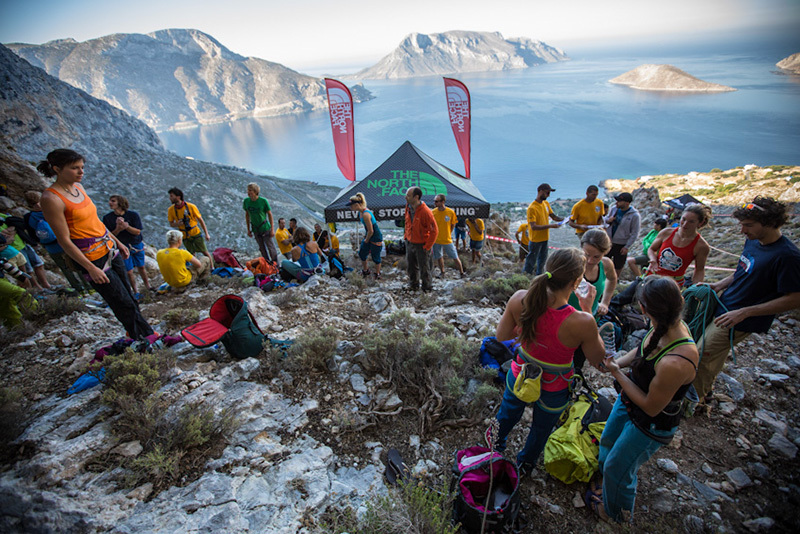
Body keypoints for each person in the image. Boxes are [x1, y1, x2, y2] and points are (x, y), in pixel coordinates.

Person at [590, 276, 699, 523]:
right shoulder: (662, 324)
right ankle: (607, 480)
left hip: (650, 423)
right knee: (608, 439)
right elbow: (640, 352)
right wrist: (617, 363)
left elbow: (651, 406)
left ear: (643, 308)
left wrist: (617, 373)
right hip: (629, 400)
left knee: (619, 466)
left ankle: (614, 511)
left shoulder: (677, 360)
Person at [493, 248, 606, 476]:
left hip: (522, 373)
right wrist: (589, 310)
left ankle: (494, 447)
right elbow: (598, 359)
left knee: (507, 413)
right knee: (541, 428)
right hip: (555, 385)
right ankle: (525, 464)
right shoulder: (582, 321)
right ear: (576, 283)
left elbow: (501, 337)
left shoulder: (520, 299)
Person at [692, 197, 800, 403]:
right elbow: (743, 270)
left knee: (700, 353)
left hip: (740, 317)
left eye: (748, 225)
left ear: (770, 223)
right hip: (725, 305)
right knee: (711, 354)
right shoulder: (753, 240)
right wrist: (719, 285)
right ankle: (704, 391)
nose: (743, 231)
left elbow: (795, 298)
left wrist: (745, 312)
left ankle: (692, 400)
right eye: (742, 225)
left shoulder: (787, 257)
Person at [39, 149, 153, 339]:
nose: (81, 172)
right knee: (120, 300)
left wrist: (118, 243)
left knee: (129, 296)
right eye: (74, 168)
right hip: (92, 258)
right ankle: (144, 337)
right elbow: (64, 240)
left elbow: (96, 223)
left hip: (109, 249)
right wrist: (90, 268)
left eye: (82, 167)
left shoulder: (79, 188)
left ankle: (141, 333)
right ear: (57, 169)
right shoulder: (51, 199)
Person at [24, 191, 92, 294]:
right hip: (66, 243)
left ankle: (79, 290)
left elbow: (32, 235)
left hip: (51, 247)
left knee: (65, 269)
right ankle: (89, 287)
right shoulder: (50, 211)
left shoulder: (28, 217)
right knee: (77, 264)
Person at [645, 204, 710, 287]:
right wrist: (653, 259)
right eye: (683, 219)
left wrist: (695, 289)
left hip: (673, 285)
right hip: (652, 277)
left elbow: (699, 270)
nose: (685, 224)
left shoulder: (701, 246)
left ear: (700, 223)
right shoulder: (666, 233)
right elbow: (651, 249)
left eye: (691, 222)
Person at [103, 195, 151, 298]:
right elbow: (110, 235)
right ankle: (135, 291)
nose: (110, 203)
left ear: (120, 203)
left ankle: (148, 286)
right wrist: (118, 229)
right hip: (122, 246)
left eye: (113, 201)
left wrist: (126, 227)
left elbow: (137, 231)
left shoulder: (133, 215)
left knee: (141, 266)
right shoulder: (107, 218)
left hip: (136, 244)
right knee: (129, 271)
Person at [1, 212, 49, 290]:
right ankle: (36, 289)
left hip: (22, 244)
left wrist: (12, 231)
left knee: (38, 264)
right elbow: (4, 240)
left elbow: (19, 222)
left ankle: (46, 286)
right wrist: (11, 231)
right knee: (26, 271)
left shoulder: (2, 216)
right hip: (13, 250)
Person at [167, 187, 213, 268]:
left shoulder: (191, 206)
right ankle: (197, 269)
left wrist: (206, 234)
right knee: (191, 254)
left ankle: (212, 268)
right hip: (184, 235)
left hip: (195, 232)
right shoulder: (171, 210)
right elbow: (171, 224)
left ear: (178, 197)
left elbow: (200, 220)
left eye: (172, 196)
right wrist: (177, 224)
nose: (170, 198)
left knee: (204, 251)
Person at [524, 183, 564, 276]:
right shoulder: (532, 208)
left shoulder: (546, 204)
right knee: (531, 261)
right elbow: (533, 226)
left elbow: (553, 216)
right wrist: (550, 226)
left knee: (542, 262)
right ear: (540, 191)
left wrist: (565, 219)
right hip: (535, 240)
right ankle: (525, 277)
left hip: (544, 238)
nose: (548, 195)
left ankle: (539, 278)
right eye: (547, 193)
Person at [404, 187, 438, 292]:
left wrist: (427, 246)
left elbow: (434, 231)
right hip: (410, 242)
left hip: (421, 244)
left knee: (425, 267)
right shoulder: (408, 207)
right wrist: (406, 237)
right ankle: (413, 285)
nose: (406, 197)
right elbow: (407, 223)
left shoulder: (426, 212)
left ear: (416, 197)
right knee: (411, 266)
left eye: (408, 195)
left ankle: (426, 288)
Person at [604, 192, 640, 279]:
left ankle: (614, 282)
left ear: (627, 203)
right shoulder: (614, 209)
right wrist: (609, 220)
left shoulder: (634, 215)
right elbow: (605, 220)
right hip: (608, 242)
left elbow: (635, 233)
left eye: (619, 201)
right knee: (604, 262)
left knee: (618, 266)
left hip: (621, 244)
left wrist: (627, 247)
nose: (617, 203)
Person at [347, 192, 383, 279]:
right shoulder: (361, 213)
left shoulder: (366, 214)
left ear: (356, 205)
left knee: (376, 256)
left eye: (351, 205)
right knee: (362, 253)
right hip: (369, 234)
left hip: (375, 236)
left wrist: (366, 240)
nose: (350, 207)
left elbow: (371, 230)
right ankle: (366, 270)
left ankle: (377, 274)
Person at [432, 195, 465, 278]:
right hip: (436, 239)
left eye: (437, 201)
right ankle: (442, 272)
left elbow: (453, 223)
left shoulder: (450, 212)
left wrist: (449, 232)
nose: (435, 203)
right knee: (439, 257)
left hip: (447, 239)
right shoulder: (433, 212)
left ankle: (462, 273)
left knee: (454, 256)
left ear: (442, 202)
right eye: (434, 201)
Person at [243, 183, 278, 262]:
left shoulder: (263, 201)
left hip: (265, 228)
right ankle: (267, 265)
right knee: (262, 249)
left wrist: (272, 229)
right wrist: (248, 229)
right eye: (248, 190)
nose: (248, 192)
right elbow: (247, 215)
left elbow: (269, 214)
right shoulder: (246, 201)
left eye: (250, 190)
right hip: (255, 229)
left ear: (255, 191)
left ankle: (276, 265)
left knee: (271, 247)